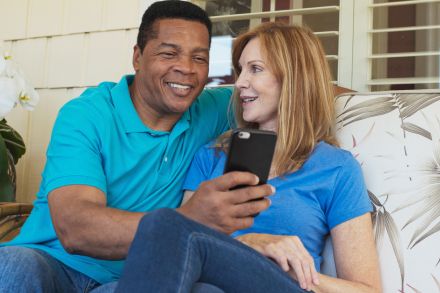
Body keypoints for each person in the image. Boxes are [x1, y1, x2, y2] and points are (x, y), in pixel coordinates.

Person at [0, 1, 274, 292]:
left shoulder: (212, 108)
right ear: (138, 57)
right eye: (169, 53)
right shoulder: (86, 115)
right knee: (14, 264)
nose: (186, 68)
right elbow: (76, 229)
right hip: (52, 266)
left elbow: (290, 90)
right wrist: (189, 218)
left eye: (199, 58)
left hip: (128, 280)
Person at [115, 22, 382, 293]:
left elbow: (367, 290)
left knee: (164, 224)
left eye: (255, 69)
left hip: (283, 285)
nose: (240, 83)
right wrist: (251, 242)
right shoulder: (211, 155)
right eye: (241, 70)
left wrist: (294, 273)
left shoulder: (336, 168)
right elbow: (180, 249)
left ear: (294, 78)